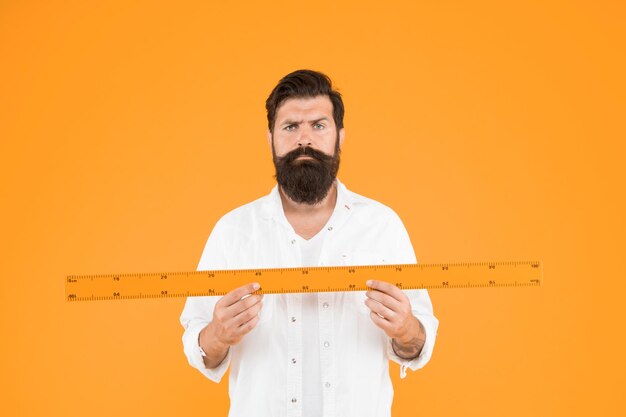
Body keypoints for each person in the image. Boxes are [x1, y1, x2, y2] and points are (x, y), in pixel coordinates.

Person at [180, 69, 438, 417]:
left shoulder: (382, 226)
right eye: (290, 127)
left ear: (339, 136)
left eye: (318, 125)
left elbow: (420, 338)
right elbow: (198, 344)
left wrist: (407, 331)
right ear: (270, 138)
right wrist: (216, 335)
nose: (305, 140)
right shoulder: (233, 231)